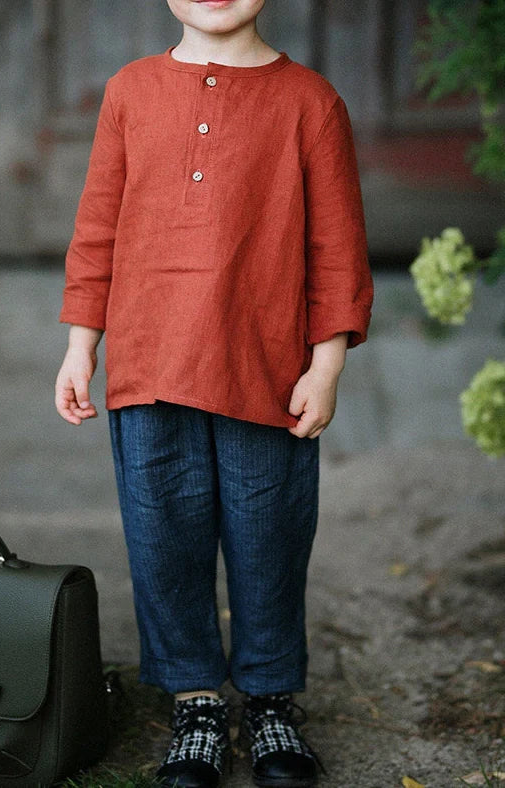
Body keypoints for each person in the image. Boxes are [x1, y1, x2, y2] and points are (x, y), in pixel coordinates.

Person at [55, 1, 373, 785]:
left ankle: (269, 698)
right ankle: (195, 699)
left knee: (269, 537)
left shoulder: (311, 102)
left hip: (264, 369)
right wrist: (78, 348)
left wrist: (326, 365)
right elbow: (98, 225)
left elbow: (337, 245)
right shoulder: (130, 90)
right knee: (165, 537)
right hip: (149, 366)